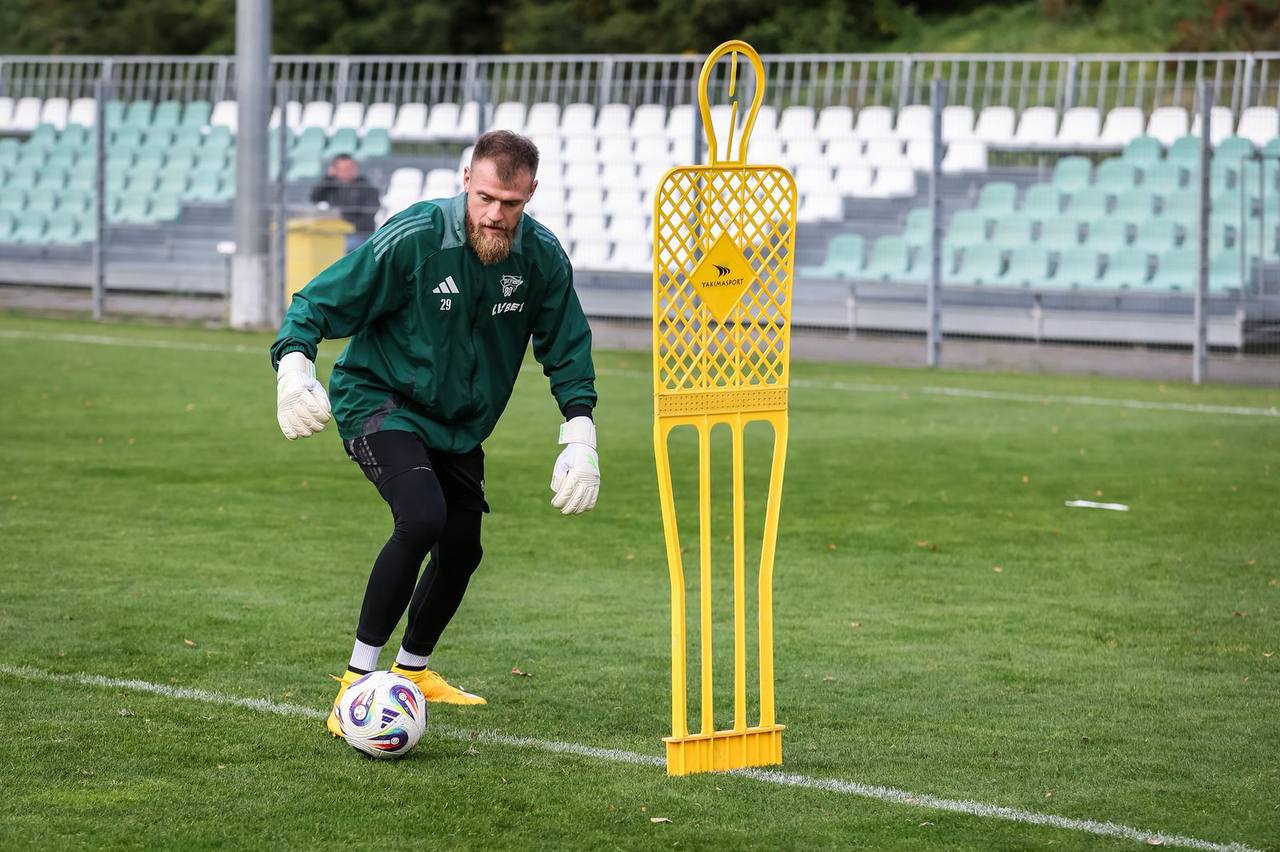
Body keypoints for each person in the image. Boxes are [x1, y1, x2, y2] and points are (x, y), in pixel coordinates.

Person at [271, 130, 599, 735]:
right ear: (466, 179)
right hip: (379, 398)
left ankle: (414, 671)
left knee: (463, 548)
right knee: (421, 517)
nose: (496, 216)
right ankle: (356, 680)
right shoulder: (416, 235)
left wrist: (581, 433)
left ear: (531, 194)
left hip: (457, 425)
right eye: (486, 199)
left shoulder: (542, 258)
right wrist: (294, 365)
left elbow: (566, 346)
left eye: (512, 204)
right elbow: (319, 301)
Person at [309, 153, 381, 249]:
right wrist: (328, 177)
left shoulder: (366, 187)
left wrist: (348, 227)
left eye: (350, 168)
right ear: (335, 170)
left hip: (358, 234)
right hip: (336, 232)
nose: (348, 171)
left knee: (337, 248)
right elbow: (315, 197)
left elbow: (370, 214)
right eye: (343, 169)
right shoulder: (332, 185)